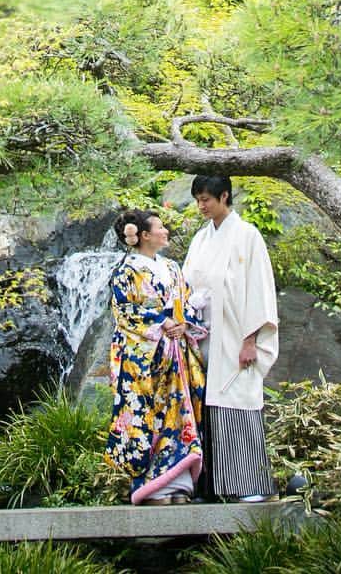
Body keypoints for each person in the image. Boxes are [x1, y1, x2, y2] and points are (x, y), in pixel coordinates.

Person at [183, 174, 279, 502]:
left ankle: (249, 486)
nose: (201, 206)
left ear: (224, 196)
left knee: (237, 404)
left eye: (206, 199)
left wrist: (250, 340)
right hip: (203, 336)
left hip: (236, 337)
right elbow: (187, 284)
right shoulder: (200, 239)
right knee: (204, 409)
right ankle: (210, 487)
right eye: (197, 200)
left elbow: (259, 291)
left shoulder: (247, 236)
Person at [104, 208, 207, 505]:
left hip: (175, 352)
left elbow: (185, 300)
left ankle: (180, 486)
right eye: (160, 228)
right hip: (143, 358)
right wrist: (162, 323)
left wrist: (183, 322)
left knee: (179, 413)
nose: (166, 232)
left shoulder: (172, 267)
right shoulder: (126, 272)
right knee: (147, 416)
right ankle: (153, 488)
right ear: (144, 235)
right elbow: (125, 312)